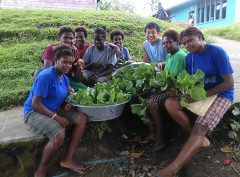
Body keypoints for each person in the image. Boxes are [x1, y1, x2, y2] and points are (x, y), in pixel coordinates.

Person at [148, 26, 234, 177]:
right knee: (170, 103)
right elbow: (187, 81)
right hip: (199, 92)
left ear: (200, 37)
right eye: (185, 43)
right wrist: (178, 91)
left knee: (199, 128)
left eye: (190, 41)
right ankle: (201, 140)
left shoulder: (217, 52)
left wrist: (201, 96)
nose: (187, 45)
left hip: (221, 94)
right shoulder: (190, 57)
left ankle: (172, 170)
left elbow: (229, 83)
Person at [24, 45, 87, 177]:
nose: (68, 66)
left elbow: (62, 95)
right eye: (64, 62)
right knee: (59, 135)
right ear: (56, 60)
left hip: (53, 109)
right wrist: (56, 117)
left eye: (70, 63)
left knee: (81, 119)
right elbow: (36, 104)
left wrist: (65, 105)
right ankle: (40, 170)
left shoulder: (63, 78)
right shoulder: (46, 76)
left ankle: (67, 160)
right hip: (34, 112)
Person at [140, 28, 186, 152]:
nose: (166, 45)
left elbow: (172, 83)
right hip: (170, 86)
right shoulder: (170, 55)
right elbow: (166, 77)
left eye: (169, 42)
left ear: (177, 42)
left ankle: (160, 137)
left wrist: (157, 92)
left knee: (152, 102)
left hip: (177, 89)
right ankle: (152, 133)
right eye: (164, 43)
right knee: (143, 98)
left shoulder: (179, 57)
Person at [33, 26, 86, 91]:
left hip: (66, 79)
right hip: (51, 77)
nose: (68, 41)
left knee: (84, 90)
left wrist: (80, 68)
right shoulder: (51, 49)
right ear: (59, 38)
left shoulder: (74, 51)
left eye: (71, 38)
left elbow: (78, 79)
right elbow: (47, 69)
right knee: (39, 72)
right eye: (65, 37)